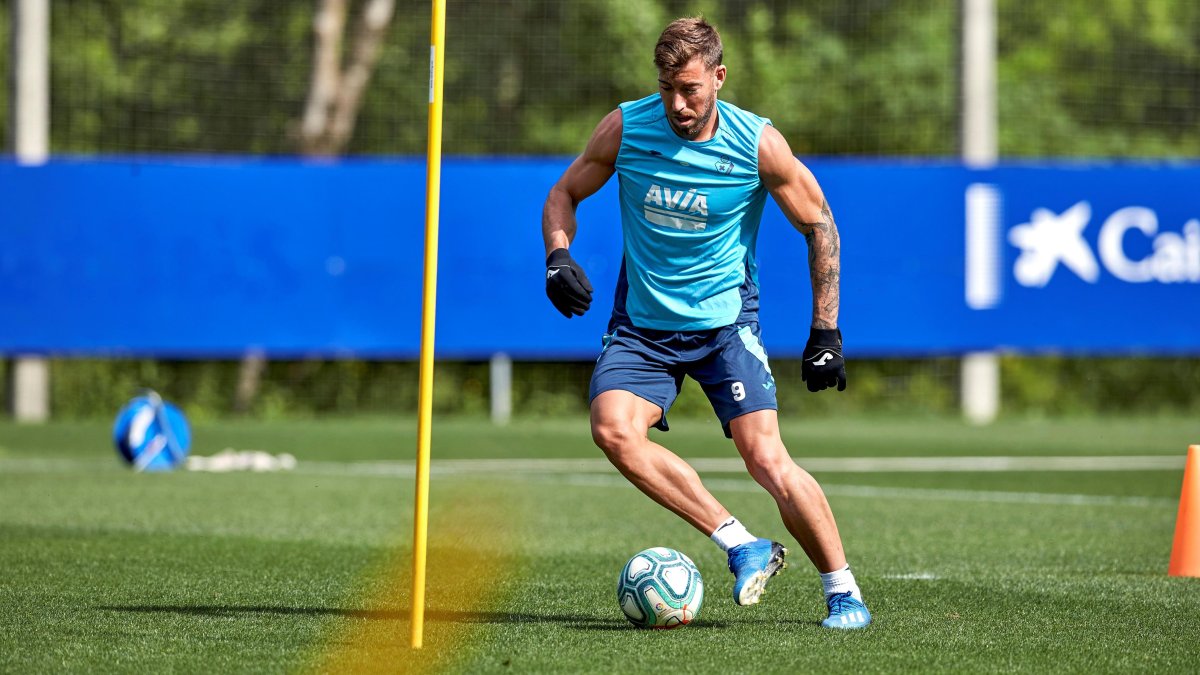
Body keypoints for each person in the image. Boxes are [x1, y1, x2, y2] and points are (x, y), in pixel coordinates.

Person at [541, 16, 871, 629]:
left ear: (719, 77)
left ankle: (843, 591)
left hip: (724, 326)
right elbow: (563, 194)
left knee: (767, 460)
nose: (677, 103)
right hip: (642, 326)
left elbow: (820, 224)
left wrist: (826, 331)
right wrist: (558, 255)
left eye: (690, 88)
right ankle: (741, 544)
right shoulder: (626, 127)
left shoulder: (756, 144)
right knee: (612, 430)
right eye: (667, 87)